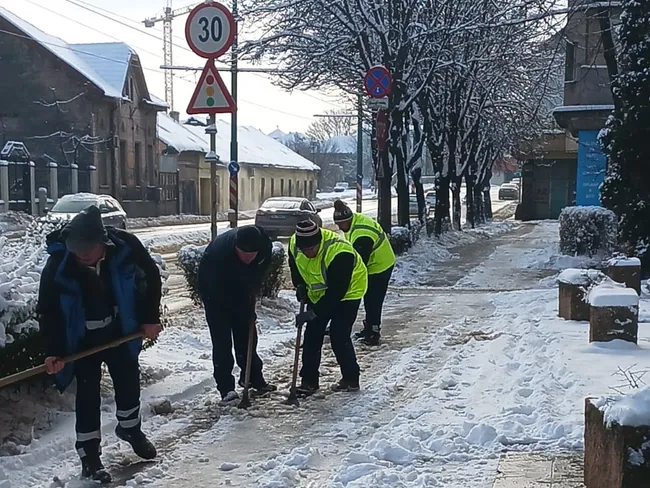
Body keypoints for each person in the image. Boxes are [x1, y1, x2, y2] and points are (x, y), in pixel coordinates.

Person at [38, 205, 162, 484]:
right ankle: (89, 457)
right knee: (87, 394)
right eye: (76, 249)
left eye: (87, 249)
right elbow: (48, 309)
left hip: (120, 330)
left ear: (102, 242)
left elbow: (150, 278)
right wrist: (54, 352)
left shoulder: (126, 248)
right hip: (82, 340)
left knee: (128, 381)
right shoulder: (59, 264)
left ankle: (130, 429)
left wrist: (150, 318)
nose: (81, 255)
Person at [197, 225, 276, 403]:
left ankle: (252, 377)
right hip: (214, 295)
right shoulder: (217, 256)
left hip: (240, 291)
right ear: (235, 247)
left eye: (252, 254)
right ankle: (226, 389)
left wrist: (253, 287)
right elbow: (215, 291)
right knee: (222, 342)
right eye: (244, 254)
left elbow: (259, 270)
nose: (248, 258)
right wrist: (240, 309)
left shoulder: (264, 246)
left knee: (247, 338)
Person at [289, 220, 368, 395]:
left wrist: (314, 313)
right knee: (312, 335)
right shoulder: (295, 244)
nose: (308, 253)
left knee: (339, 335)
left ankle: (351, 378)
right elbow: (294, 265)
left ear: (319, 241)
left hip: (349, 292)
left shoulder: (340, 252)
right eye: (304, 249)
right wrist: (299, 285)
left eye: (311, 248)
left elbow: (336, 292)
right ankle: (309, 381)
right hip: (319, 293)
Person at [333, 200, 395, 345]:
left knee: (373, 299)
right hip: (375, 261)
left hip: (380, 265)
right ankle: (369, 327)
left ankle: (373, 331)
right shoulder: (354, 222)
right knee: (369, 297)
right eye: (337, 224)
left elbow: (359, 264)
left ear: (348, 220)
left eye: (341, 224)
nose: (339, 228)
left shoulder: (362, 235)